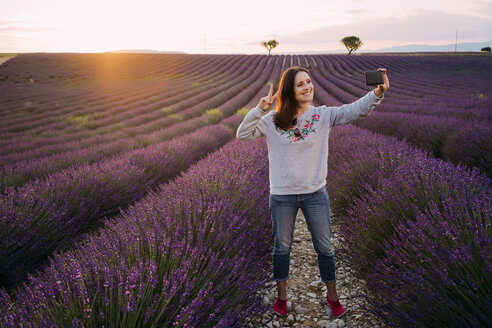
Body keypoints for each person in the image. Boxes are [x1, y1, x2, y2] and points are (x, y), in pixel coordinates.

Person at [236, 66, 389, 318]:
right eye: (300, 84)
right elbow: (242, 134)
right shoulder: (271, 121)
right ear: (289, 90)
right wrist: (261, 108)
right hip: (282, 196)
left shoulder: (323, 116)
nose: (308, 87)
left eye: (309, 82)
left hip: (315, 194)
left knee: (325, 248)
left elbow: (354, 111)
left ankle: (333, 297)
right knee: (281, 248)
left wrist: (378, 93)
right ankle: (282, 298)